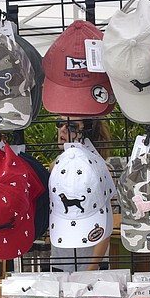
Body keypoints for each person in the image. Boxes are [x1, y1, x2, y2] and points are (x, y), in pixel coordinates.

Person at [51, 116, 114, 271]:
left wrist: (92, 267)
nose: (63, 130)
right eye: (60, 123)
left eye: (72, 126)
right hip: (60, 258)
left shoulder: (100, 170)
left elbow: (106, 221)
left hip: (91, 261)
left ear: (87, 133)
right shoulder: (56, 167)